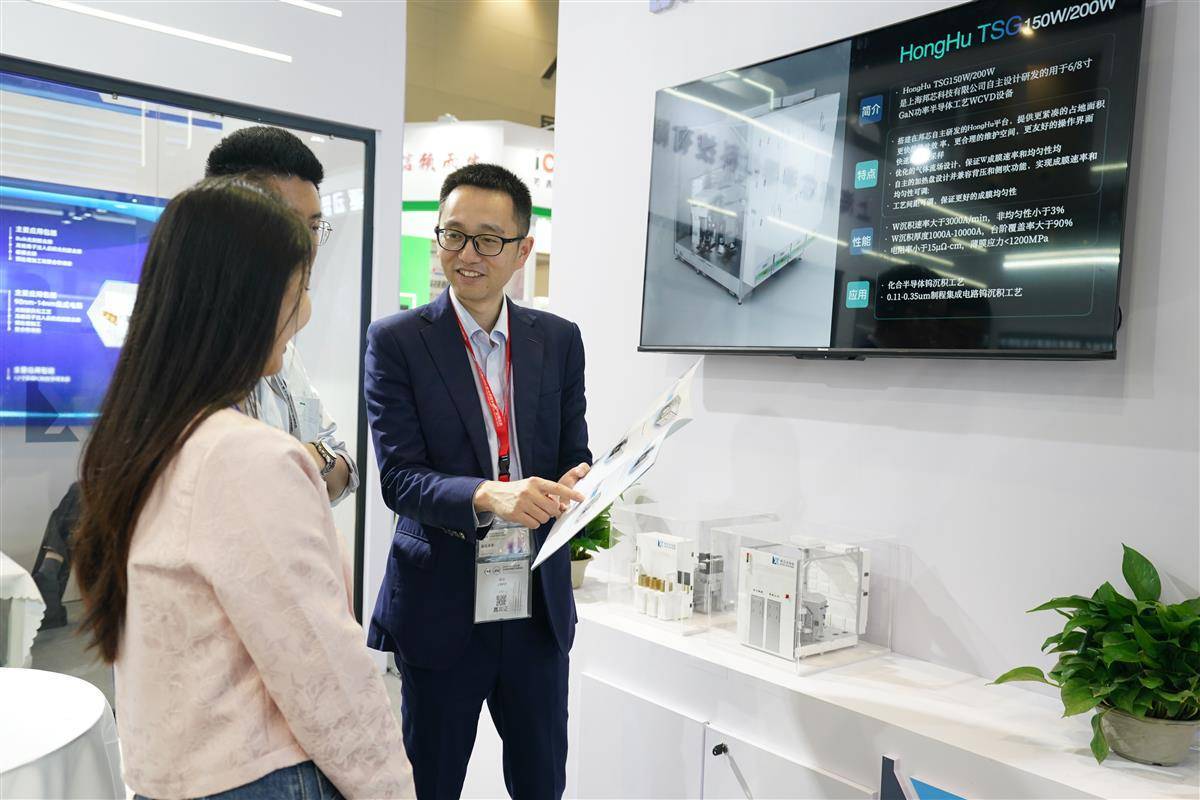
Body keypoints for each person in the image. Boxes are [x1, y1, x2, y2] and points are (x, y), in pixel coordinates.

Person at [73, 177, 411, 799]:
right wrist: (391, 788)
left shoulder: (142, 440)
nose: (305, 313)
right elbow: (322, 672)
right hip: (264, 777)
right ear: (247, 301)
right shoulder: (243, 458)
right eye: (298, 289)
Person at [364, 164, 591, 799]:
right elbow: (400, 480)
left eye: (489, 239)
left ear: (522, 249)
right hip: (441, 605)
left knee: (542, 784)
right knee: (430, 785)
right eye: (454, 235)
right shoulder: (397, 341)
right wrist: (491, 495)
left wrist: (580, 482)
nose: (468, 254)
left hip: (536, 606)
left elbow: (575, 451)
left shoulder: (558, 341)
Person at [205, 126, 355, 504]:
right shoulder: (189, 360)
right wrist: (302, 458)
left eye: (313, 227)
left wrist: (313, 456)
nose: (304, 246)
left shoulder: (283, 350)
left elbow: (344, 470)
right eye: (286, 224)